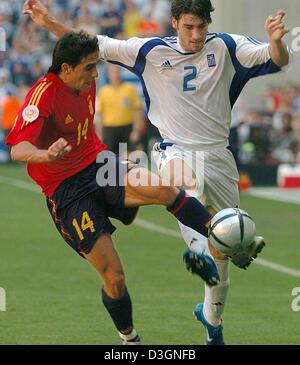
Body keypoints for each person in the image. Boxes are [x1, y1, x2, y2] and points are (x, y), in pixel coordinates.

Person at [22, 0, 291, 345]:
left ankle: (211, 319)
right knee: (183, 191)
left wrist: (278, 41)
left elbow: (277, 60)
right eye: (189, 27)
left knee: (223, 258)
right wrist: (50, 23)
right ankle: (202, 249)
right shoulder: (149, 51)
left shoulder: (227, 47)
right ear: (175, 23)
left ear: (209, 24)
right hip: (174, 148)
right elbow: (92, 43)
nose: (196, 35)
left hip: (219, 155)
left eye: (201, 27)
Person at [6, 30, 222, 345]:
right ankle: (129, 338)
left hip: (99, 165)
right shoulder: (43, 95)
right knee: (115, 278)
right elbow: (17, 148)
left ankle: (220, 235)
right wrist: (45, 154)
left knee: (164, 189)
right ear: (66, 69)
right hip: (67, 192)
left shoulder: (86, 82)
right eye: (89, 68)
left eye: (96, 66)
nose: (96, 74)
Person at [96, 63, 144, 155]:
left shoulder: (129, 89)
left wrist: (136, 130)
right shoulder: (103, 92)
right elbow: (100, 116)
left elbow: (137, 111)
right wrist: (99, 135)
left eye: (117, 72)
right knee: (110, 159)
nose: (115, 75)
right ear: (108, 74)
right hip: (109, 130)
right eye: (112, 72)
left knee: (126, 158)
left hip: (126, 128)